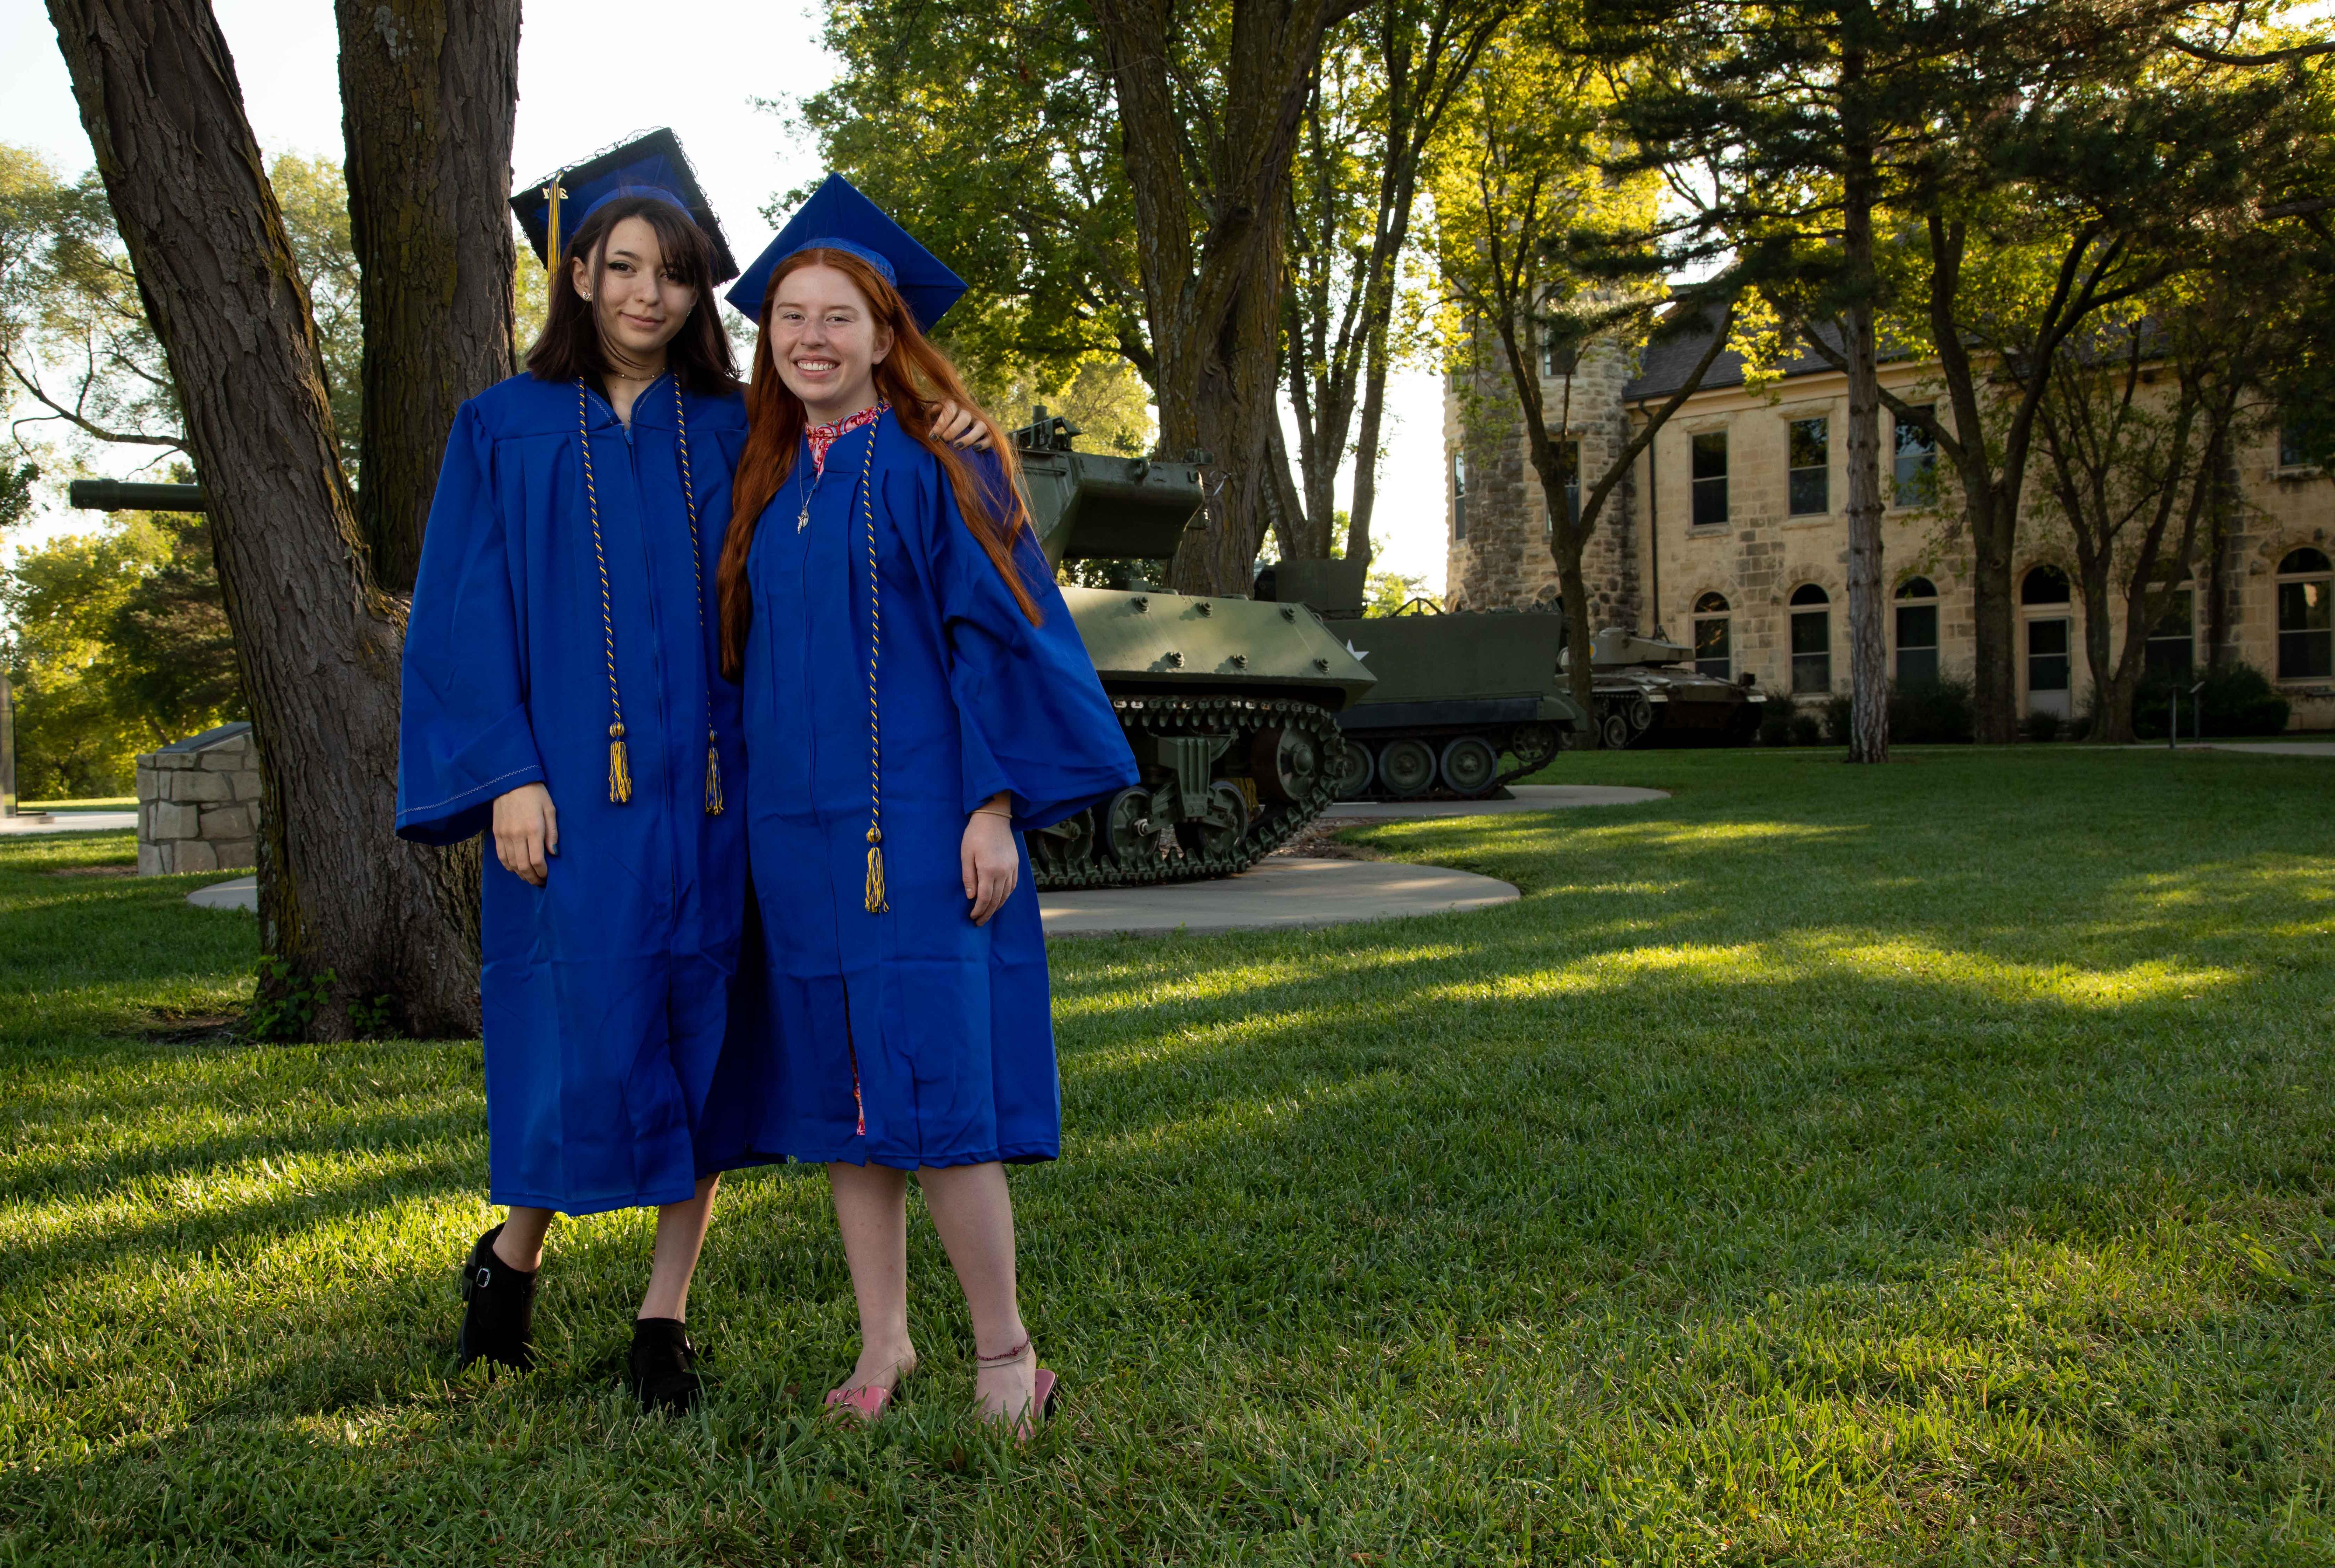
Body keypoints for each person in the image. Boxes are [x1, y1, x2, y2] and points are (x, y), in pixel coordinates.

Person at [715, 176, 1137, 1436]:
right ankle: (882, 1345)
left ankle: (1008, 1351)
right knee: (848, 1104)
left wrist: (996, 804)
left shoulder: (943, 459)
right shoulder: (768, 480)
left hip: (921, 825)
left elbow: (1005, 634)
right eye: (791, 314)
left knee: (940, 1093)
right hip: (799, 838)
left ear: (886, 334)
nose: (810, 337)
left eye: (838, 316)